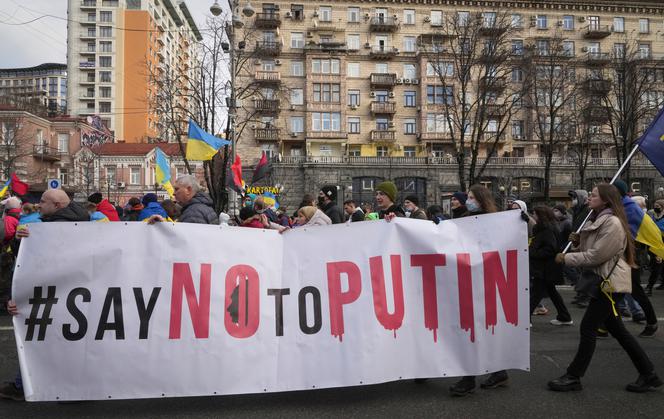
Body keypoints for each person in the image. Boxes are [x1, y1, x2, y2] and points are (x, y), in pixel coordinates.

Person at [548, 184, 661, 393]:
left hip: (609, 284)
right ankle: (649, 374)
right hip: (604, 281)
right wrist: (577, 243)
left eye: (593, 195)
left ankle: (574, 376)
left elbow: (597, 256)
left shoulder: (613, 223)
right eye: (589, 195)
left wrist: (566, 258)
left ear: (606, 200)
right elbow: (590, 250)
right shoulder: (598, 219)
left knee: (588, 327)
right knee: (618, 330)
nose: (589, 198)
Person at [0, 189, 89, 401]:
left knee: (37, 337)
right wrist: (22, 241)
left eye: (42, 201)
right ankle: (79, 386)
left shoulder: (49, 229)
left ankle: (24, 385)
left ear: (57, 205)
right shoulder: (82, 221)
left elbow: (33, 267)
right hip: (76, 294)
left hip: (54, 294)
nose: (38, 204)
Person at [449, 184, 506, 396]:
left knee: (473, 328)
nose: (468, 200)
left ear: (481, 200)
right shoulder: (467, 218)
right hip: (470, 278)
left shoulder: (491, 222)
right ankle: (498, 372)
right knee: (476, 328)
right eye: (468, 197)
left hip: (480, 280)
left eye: (472, 197)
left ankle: (469, 378)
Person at [612, 180, 658, 337]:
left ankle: (651, 322)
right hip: (622, 255)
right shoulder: (619, 207)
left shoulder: (629, 209)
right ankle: (606, 326)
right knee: (614, 291)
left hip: (631, 256)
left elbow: (627, 233)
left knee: (635, 290)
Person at [529, 206, 573, 325]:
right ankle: (564, 316)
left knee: (535, 294)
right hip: (547, 267)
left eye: (535, 214)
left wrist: (533, 253)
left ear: (540, 216)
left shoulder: (546, 230)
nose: (533, 216)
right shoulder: (548, 227)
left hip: (545, 268)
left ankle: (525, 319)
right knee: (551, 292)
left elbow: (550, 249)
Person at [149, 175, 218, 224]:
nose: (173, 193)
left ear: (188, 190)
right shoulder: (203, 207)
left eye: (176, 189)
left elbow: (185, 241)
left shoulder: (193, 213)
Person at [568, 189, 591, 308]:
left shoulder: (587, 211)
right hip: (577, 242)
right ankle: (581, 294)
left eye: (574, 198)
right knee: (580, 271)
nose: (573, 201)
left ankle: (585, 296)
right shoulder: (577, 210)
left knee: (585, 272)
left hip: (584, 243)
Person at [646, 199, 664, 294]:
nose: (656, 208)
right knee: (655, 266)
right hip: (653, 243)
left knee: (657, 266)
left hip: (661, 244)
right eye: (655, 206)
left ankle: (649, 287)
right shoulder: (652, 216)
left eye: (658, 206)